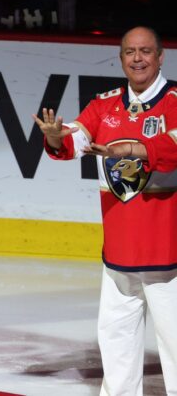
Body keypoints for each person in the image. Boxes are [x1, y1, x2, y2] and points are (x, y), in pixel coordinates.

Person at [33, 26, 177, 395]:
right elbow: (76, 138)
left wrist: (130, 150)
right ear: (121, 58)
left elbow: (173, 145)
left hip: (169, 258)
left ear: (161, 57)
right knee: (116, 348)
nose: (138, 58)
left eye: (146, 51)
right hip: (118, 258)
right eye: (130, 52)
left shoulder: (175, 100)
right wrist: (54, 136)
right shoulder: (105, 105)